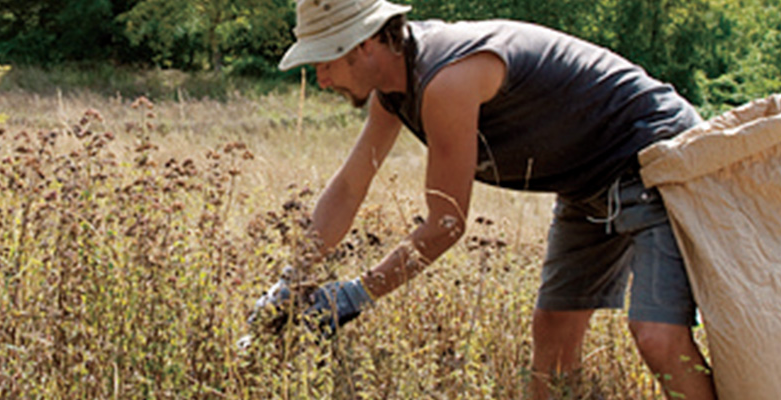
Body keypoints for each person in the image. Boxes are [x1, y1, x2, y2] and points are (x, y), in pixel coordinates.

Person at [253, 0, 717, 398]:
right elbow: (352, 185)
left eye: (323, 61)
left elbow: (446, 225)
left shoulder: (446, 80)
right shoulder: (393, 90)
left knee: (657, 336)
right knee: (553, 334)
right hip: (585, 182)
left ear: (362, 44)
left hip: (651, 156)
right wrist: (293, 278)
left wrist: (355, 295)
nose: (320, 78)